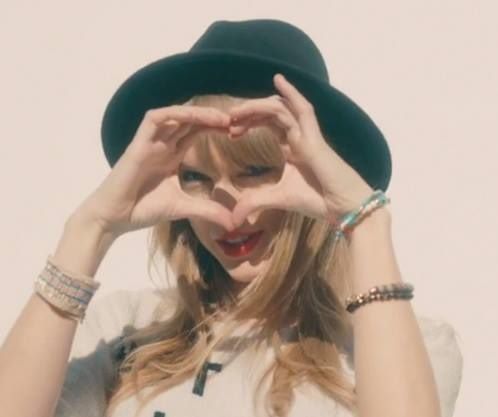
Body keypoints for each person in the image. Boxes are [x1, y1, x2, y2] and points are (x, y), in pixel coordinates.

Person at [0, 19, 463, 417]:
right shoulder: (123, 333)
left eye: (258, 171)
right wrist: (91, 227)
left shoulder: (402, 341)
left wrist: (366, 224)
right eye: (197, 176)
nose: (230, 208)